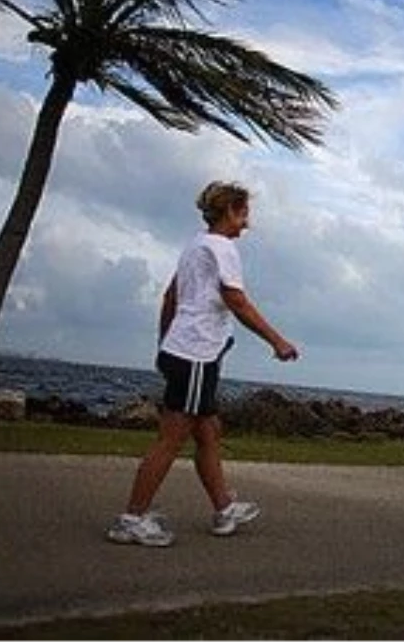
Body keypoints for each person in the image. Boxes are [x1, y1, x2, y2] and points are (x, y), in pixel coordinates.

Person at [106, 181, 298, 547]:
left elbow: (170, 297)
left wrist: (164, 345)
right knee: (170, 440)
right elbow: (236, 301)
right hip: (195, 354)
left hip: (189, 352)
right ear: (229, 211)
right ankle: (131, 518)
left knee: (209, 432)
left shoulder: (194, 246)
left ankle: (224, 508)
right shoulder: (222, 248)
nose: (247, 222)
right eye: (243, 213)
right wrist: (277, 340)